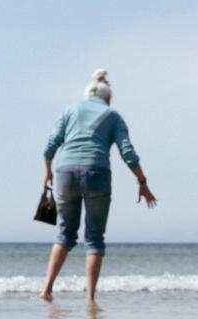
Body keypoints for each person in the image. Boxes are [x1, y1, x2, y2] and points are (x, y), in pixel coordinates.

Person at [39, 70, 157, 302]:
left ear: (86, 96)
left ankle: (46, 290)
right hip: (97, 174)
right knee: (94, 237)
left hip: (65, 174)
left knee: (64, 233)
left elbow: (49, 146)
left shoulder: (70, 110)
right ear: (109, 98)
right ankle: (90, 298)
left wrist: (47, 173)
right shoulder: (112, 115)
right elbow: (128, 153)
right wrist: (142, 182)